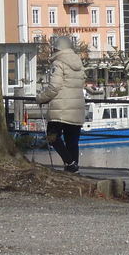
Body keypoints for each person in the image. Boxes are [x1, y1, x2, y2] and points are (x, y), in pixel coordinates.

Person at [36, 36, 86, 173]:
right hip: (76, 108)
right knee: (72, 141)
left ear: (57, 48)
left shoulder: (58, 63)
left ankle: (70, 164)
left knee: (52, 136)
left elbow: (54, 87)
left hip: (60, 108)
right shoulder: (79, 64)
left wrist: (41, 98)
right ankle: (74, 170)